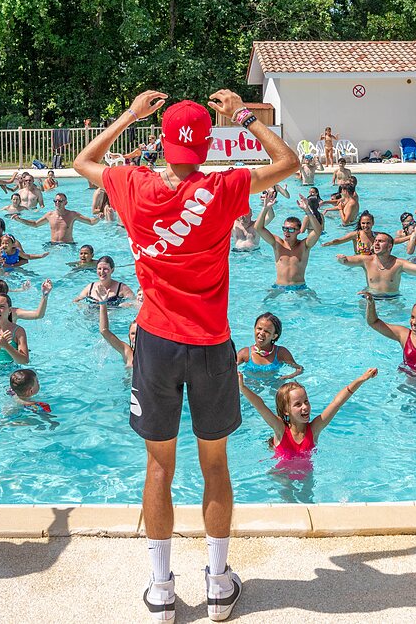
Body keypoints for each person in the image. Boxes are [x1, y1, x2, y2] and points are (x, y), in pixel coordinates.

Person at [73, 88, 296, 622]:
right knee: (214, 464)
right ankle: (219, 585)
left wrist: (129, 113)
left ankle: (161, 590)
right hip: (212, 342)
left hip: (156, 340)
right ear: (208, 143)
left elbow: (84, 160)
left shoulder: (133, 185)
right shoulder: (224, 187)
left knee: (158, 466)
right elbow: (288, 161)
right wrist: (243, 114)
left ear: (165, 141)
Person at [237, 368, 377, 462]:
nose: (305, 407)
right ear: (286, 410)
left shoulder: (314, 429)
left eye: (306, 401)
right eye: (298, 404)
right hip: (282, 477)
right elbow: (260, 406)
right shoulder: (280, 429)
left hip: (307, 476)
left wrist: (361, 379)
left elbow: (337, 402)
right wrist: (242, 388)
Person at [256, 192, 323, 295]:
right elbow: (258, 228)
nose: (286, 232)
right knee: (264, 306)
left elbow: (318, 231)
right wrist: (265, 208)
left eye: (291, 230)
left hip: (300, 288)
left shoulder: (304, 245)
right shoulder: (277, 243)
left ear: (298, 231)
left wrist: (307, 211)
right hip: (279, 287)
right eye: (285, 229)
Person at [335, 230, 416, 298]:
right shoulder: (366, 260)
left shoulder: (399, 264)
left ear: (389, 246)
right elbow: (347, 261)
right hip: (370, 298)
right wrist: (341, 259)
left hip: (392, 300)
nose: (376, 244)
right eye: (375, 241)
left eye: (380, 241)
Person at [235, 313, 302, 380]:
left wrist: (287, 377)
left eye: (266, 331)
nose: (261, 333)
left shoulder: (281, 353)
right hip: (250, 386)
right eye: (259, 328)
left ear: (274, 336)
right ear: (254, 329)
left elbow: (299, 369)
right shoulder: (245, 353)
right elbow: (228, 369)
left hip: (274, 384)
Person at [14, 193, 99, 244]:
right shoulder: (49, 215)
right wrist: (20, 219)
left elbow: (91, 222)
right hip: (53, 245)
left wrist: (99, 218)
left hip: (68, 245)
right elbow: (35, 224)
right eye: (55, 201)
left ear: (66, 203)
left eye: (60, 201)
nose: (57, 203)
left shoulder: (72, 215)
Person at [98, 301, 136, 368]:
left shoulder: (153, 351)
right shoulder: (127, 352)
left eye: (139, 333)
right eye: (133, 333)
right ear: (129, 336)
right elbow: (104, 331)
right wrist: (103, 304)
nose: (136, 336)